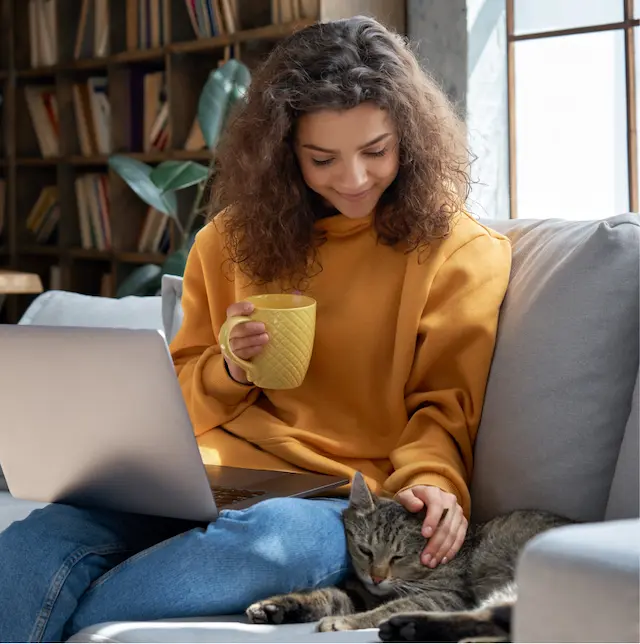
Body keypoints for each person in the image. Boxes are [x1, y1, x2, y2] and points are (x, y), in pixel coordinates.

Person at [0, 15, 511, 643]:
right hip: (204, 476)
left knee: (272, 547)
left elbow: (444, 407)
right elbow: (178, 393)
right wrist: (231, 368)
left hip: (334, 499)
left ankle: (57, 620)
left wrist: (432, 486)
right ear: (283, 152)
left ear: (410, 136)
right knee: (32, 543)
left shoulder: (460, 252)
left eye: (376, 151)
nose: (353, 179)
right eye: (323, 158)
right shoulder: (229, 240)